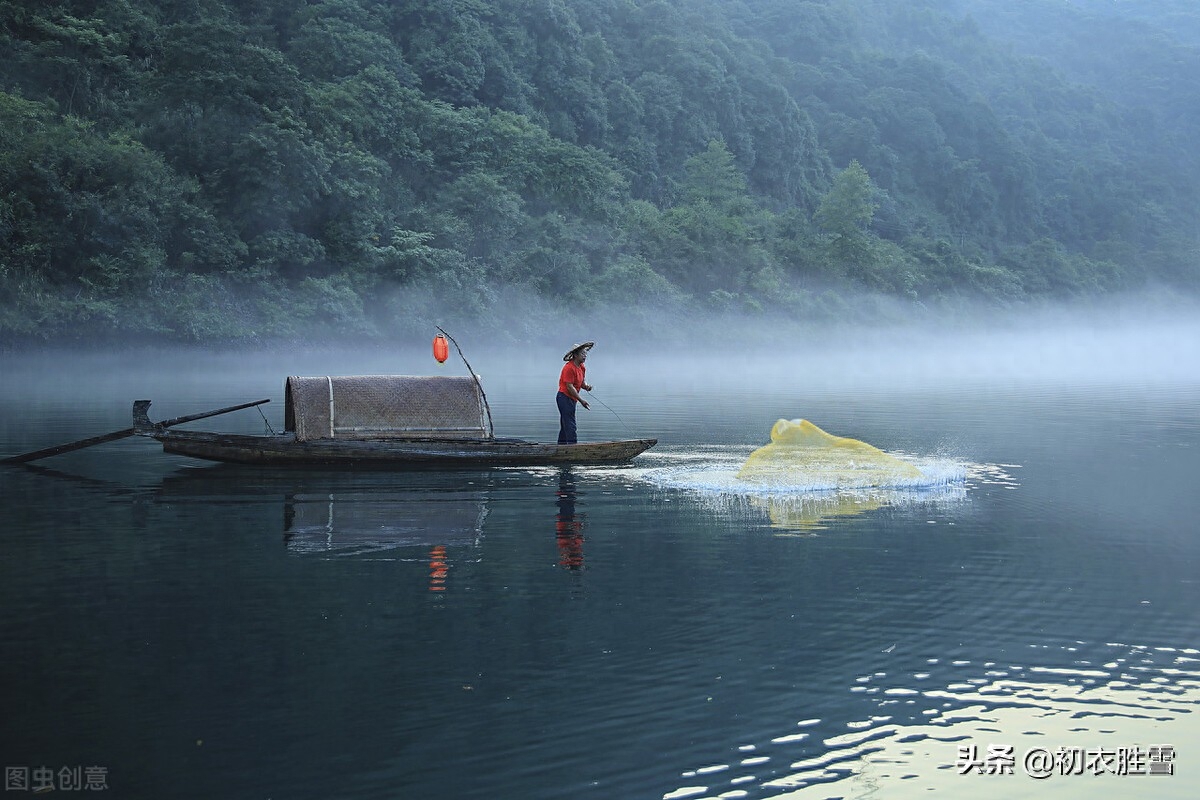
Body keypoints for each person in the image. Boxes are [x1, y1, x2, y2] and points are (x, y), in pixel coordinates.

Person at [556, 341, 593, 444]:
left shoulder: (581, 367)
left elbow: (580, 382)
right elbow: (569, 387)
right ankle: (573, 447)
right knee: (570, 425)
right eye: (582, 354)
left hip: (572, 399)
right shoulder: (568, 368)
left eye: (586, 354)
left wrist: (586, 386)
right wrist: (581, 400)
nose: (585, 356)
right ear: (575, 355)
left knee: (565, 426)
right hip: (564, 398)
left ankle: (561, 448)